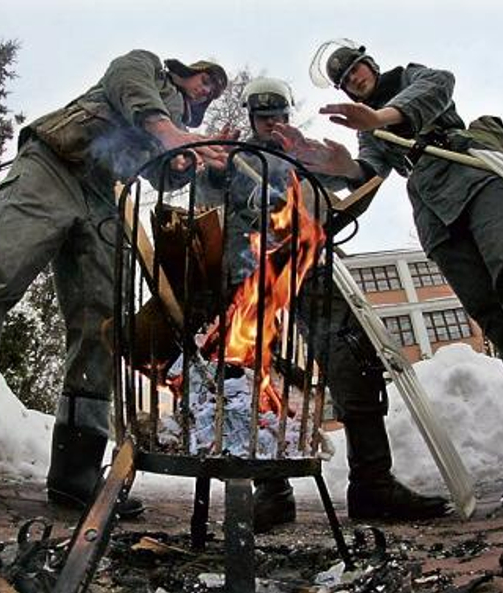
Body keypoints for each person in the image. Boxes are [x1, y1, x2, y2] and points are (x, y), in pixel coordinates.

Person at [275, 40, 503, 518]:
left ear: (371, 64)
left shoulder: (408, 78)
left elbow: (438, 87)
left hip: (472, 174)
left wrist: (380, 119)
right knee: (497, 319)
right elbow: (371, 170)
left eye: (355, 70)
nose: (353, 80)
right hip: (434, 213)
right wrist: (342, 167)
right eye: (344, 80)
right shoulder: (369, 128)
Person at [0, 49, 229, 523]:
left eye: (216, 90)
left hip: (104, 201)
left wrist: (184, 162)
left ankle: (76, 472)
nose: (209, 90)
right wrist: (166, 131)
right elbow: (126, 80)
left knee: (100, 328)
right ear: (187, 72)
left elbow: (161, 173)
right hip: (52, 167)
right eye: (208, 80)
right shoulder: (147, 70)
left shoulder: (176, 125)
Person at [203, 77, 449, 532]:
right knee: (258, 378)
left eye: (278, 113)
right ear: (251, 116)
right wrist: (217, 171)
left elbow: (357, 178)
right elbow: (206, 199)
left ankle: (372, 483)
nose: (272, 122)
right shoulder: (236, 158)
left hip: (311, 267)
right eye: (263, 115)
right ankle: (272, 492)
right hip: (250, 275)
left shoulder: (303, 151)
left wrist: (347, 167)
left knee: (353, 356)